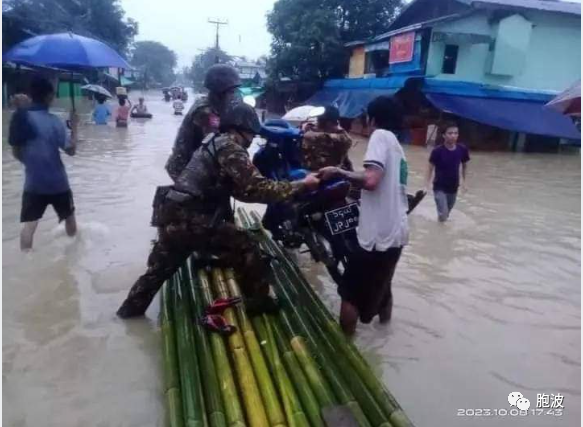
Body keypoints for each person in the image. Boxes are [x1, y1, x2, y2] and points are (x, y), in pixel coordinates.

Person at [117, 103, 320, 318]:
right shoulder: (231, 148)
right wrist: (302, 185)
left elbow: (243, 193)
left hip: (173, 214)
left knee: (157, 273)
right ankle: (257, 302)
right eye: (252, 133)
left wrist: (284, 189)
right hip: (193, 219)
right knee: (247, 246)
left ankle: (128, 313)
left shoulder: (213, 142)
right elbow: (258, 188)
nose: (252, 139)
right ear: (243, 128)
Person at [318, 96, 409, 335]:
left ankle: (345, 345)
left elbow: (370, 179)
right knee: (383, 284)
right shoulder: (398, 147)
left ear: (373, 118)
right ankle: (384, 332)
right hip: (396, 234)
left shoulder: (379, 136)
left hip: (376, 237)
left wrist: (338, 172)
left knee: (350, 293)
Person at [8, 77, 79, 251]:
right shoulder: (55, 121)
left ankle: (26, 261)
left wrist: (32, 165)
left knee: (29, 226)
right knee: (70, 220)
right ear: (49, 97)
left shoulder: (20, 119)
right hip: (58, 183)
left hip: (33, 183)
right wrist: (75, 126)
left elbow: (16, 152)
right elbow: (71, 150)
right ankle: (73, 257)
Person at [165, 64, 242, 181]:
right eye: (231, 92)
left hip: (188, 164)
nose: (233, 97)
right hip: (185, 169)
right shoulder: (206, 112)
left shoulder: (208, 104)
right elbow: (217, 145)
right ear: (220, 92)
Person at [424, 122, 470, 222]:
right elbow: (430, 168)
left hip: (453, 187)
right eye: (450, 133)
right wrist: (426, 185)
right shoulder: (437, 151)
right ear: (444, 135)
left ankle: (440, 227)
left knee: (446, 214)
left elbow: (465, 166)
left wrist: (464, 182)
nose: (453, 135)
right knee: (444, 215)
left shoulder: (462, 149)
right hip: (439, 187)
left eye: (455, 133)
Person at [302, 105, 353, 172]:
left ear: (329, 123)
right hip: (312, 170)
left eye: (319, 120)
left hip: (330, 174)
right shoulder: (320, 130)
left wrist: (306, 131)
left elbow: (315, 136)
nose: (317, 123)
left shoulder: (343, 138)